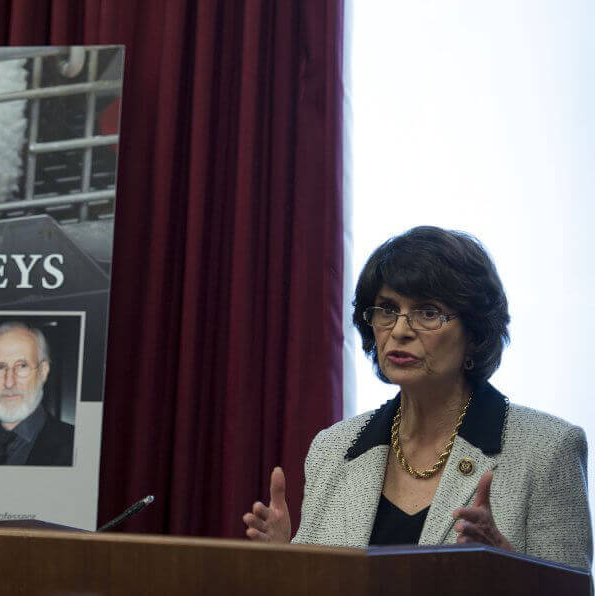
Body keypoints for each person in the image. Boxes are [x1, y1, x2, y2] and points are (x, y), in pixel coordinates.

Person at [243, 226, 592, 570]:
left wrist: (510, 568)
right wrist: (284, 564)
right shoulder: (334, 450)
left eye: (428, 312)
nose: (399, 330)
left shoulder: (548, 450)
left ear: (474, 332)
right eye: (387, 309)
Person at [0, 322, 74, 466]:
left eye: (22, 366)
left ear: (43, 371)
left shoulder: (77, 447)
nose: (9, 382)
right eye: (0, 367)